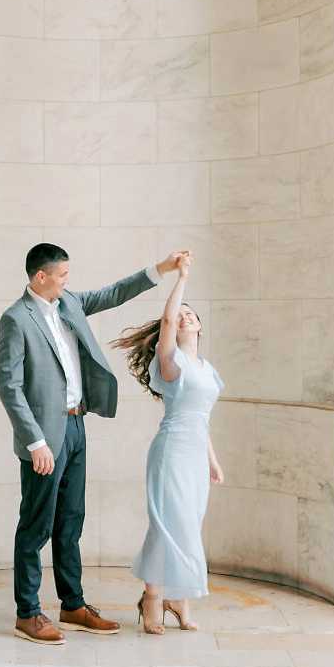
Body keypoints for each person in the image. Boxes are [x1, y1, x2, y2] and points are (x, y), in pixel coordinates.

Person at [0, 242, 189, 645]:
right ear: (40, 277)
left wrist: (163, 268)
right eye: (62, 274)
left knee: (71, 522)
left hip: (76, 426)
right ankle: (27, 613)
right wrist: (35, 443)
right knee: (35, 526)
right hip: (44, 440)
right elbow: (9, 386)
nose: (68, 280)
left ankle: (72, 605)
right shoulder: (16, 319)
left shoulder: (68, 302)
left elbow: (112, 294)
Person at [111, 251, 224, 634]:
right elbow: (167, 318)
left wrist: (212, 460)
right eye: (182, 315)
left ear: (201, 326)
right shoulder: (170, 360)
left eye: (193, 314)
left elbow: (203, 420)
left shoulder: (209, 372)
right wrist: (181, 279)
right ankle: (152, 599)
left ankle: (179, 598)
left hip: (194, 452)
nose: (187, 316)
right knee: (166, 523)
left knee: (189, 523)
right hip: (172, 450)